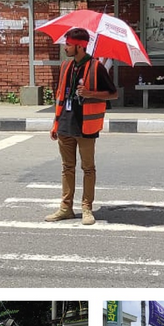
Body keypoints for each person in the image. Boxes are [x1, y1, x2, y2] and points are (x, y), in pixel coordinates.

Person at [46, 27, 118, 226]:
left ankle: (86, 208)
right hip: (65, 125)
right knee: (67, 168)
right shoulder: (65, 66)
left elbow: (114, 94)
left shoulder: (96, 67)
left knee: (88, 168)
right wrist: (55, 123)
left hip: (87, 125)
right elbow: (61, 95)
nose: (65, 47)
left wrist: (90, 93)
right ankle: (65, 208)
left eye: (68, 44)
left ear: (79, 46)